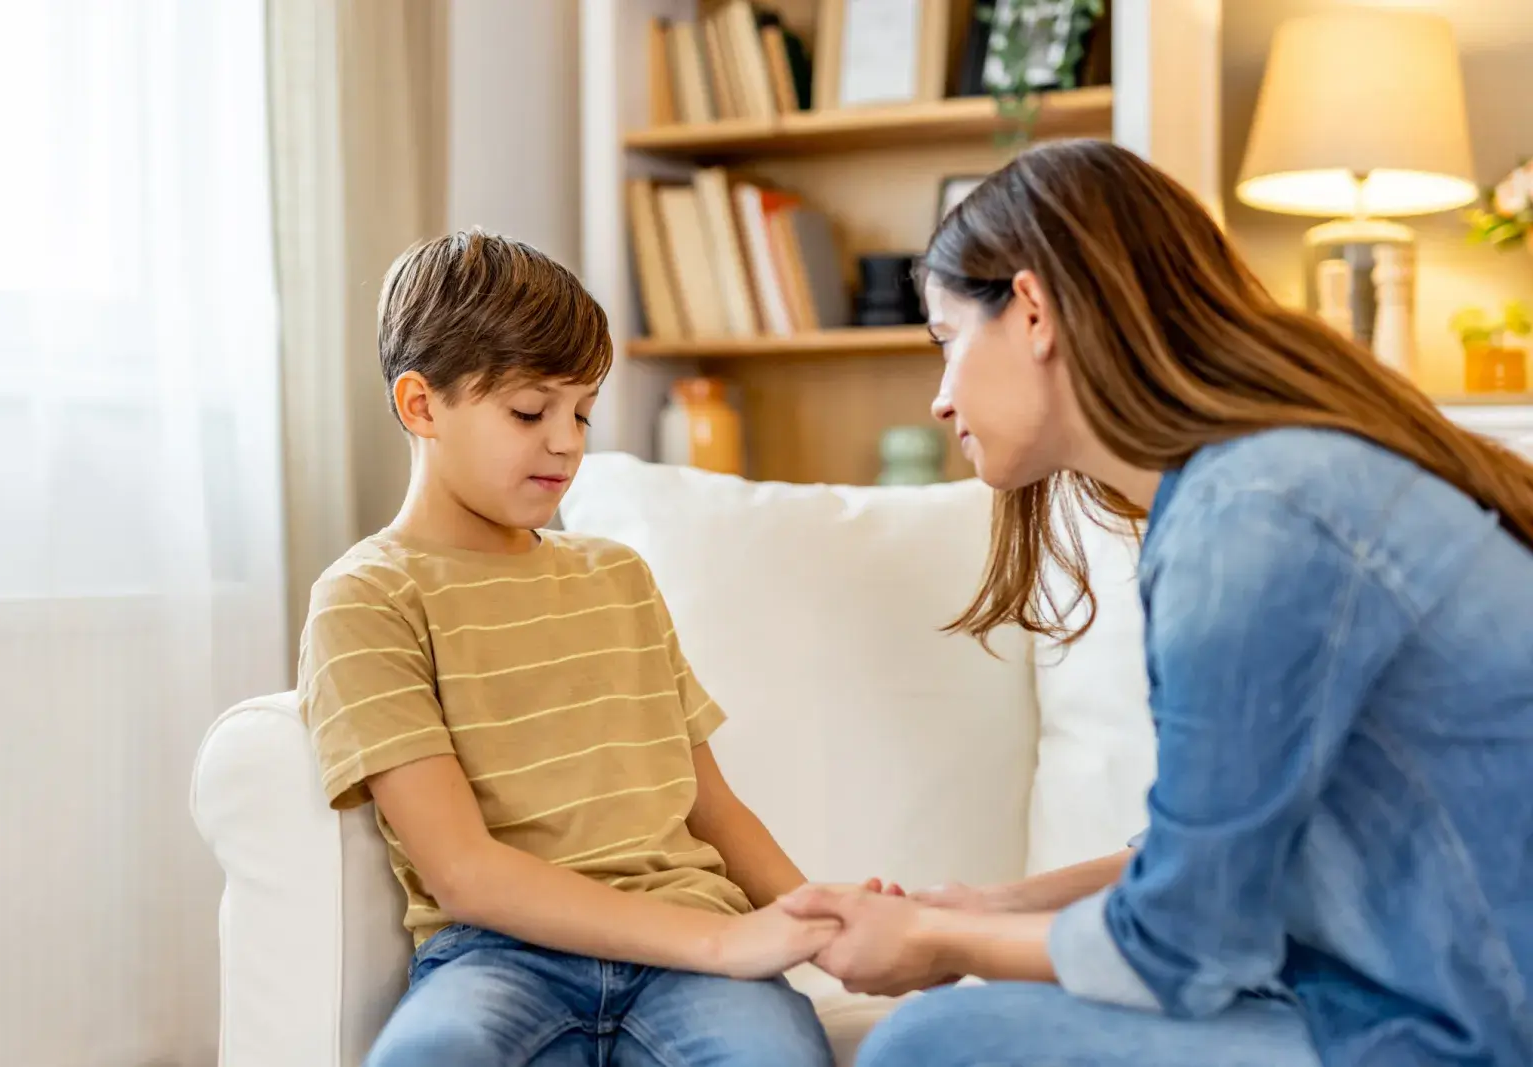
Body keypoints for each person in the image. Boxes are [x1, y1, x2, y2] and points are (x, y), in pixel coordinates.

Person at [779, 139, 1533, 1067]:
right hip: (1391, 989)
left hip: (1471, 1031)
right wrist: (988, 906)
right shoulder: (1257, 484)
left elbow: (1186, 938)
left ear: (1032, 311)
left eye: (946, 338)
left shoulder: (1255, 517)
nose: (939, 399)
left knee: (933, 1045)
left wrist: (942, 940)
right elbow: (1207, 856)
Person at [298, 231, 836, 1066]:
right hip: (499, 955)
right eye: (529, 411)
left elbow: (714, 808)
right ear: (421, 405)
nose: (567, 441)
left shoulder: (618, 576)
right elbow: (463, 872)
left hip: (690, 942)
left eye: (582, 411)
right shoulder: (369, 597)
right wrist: (725, 944)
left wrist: (821, 919)